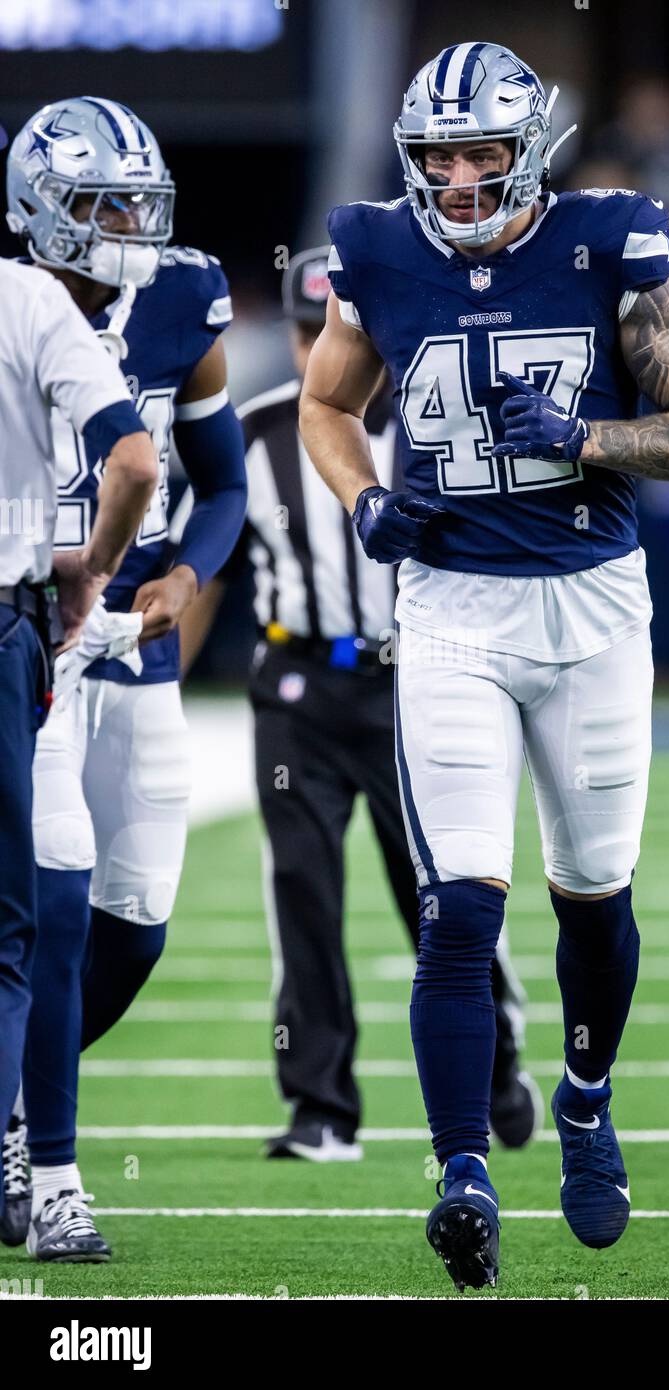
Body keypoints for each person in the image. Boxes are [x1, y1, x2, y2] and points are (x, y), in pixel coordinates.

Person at [300, 41, 669, 1290]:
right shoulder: (375, 250)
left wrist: (589, 433)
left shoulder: (610, 238)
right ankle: (461, 1172)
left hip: (592, 611)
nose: (450, 176)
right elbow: (328, 407)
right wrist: (360, 504)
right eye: (432, 156)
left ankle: (586, 1099)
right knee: (458, 914)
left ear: (526, 151)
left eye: (476, 152)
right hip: (449, 614)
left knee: (592, 900)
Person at [180, 245, 538, 1162]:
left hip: (409, 680)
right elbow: (207, 571)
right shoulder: (255, 436)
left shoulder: (430, 427)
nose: (313, 352)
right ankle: (321, 1107)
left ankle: (496, 1063)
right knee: (300, 889)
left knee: (441, 887)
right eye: (302, 333)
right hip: (294, 689)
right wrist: (160, 686)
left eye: (327, 330)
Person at [0, 96, 247, 1262]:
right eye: (102, 203)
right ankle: (53, 1180)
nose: (126, 226)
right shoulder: (13, 308)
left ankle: (7, 1104)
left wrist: (186, 580)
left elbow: (225, 482)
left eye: (137, 202)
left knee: (131, 931)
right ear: (43, 212)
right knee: (47, 909)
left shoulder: (182, 299)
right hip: (33, 635)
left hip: (133, 652)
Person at [0, 251, 158, 1245]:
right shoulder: (28, 299)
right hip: (8, 619)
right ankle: (36, 1163)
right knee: (12, 935)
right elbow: (136, 460)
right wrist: (93, 569)